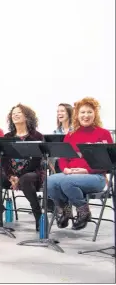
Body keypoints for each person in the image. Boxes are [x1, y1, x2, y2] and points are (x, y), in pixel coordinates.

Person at [47, 97, 113, 230]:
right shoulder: (71, 135)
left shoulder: (103, 134)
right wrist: (65, 169)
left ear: (95, 114)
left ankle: (84, 212)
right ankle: (65, 210)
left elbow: (108, 162)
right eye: (82, 112)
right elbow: (63, 158)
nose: (86, 115)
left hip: (96, 177)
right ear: (77, 115)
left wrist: (86, 170)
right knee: (49, 181)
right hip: (70, 174)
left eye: (89, 112)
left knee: (67, 182)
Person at [0, 104, 45, 231]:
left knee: (26, 179)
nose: (15, 115)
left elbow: (36, 161)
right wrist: (10, 176)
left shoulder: (37, 136)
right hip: (11, 174)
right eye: (13, 113)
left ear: (27, 116)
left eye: (19, 112)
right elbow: (5, 160)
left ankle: (38, 215)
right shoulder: (8, 137)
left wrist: (18, 177)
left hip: (31, 174)